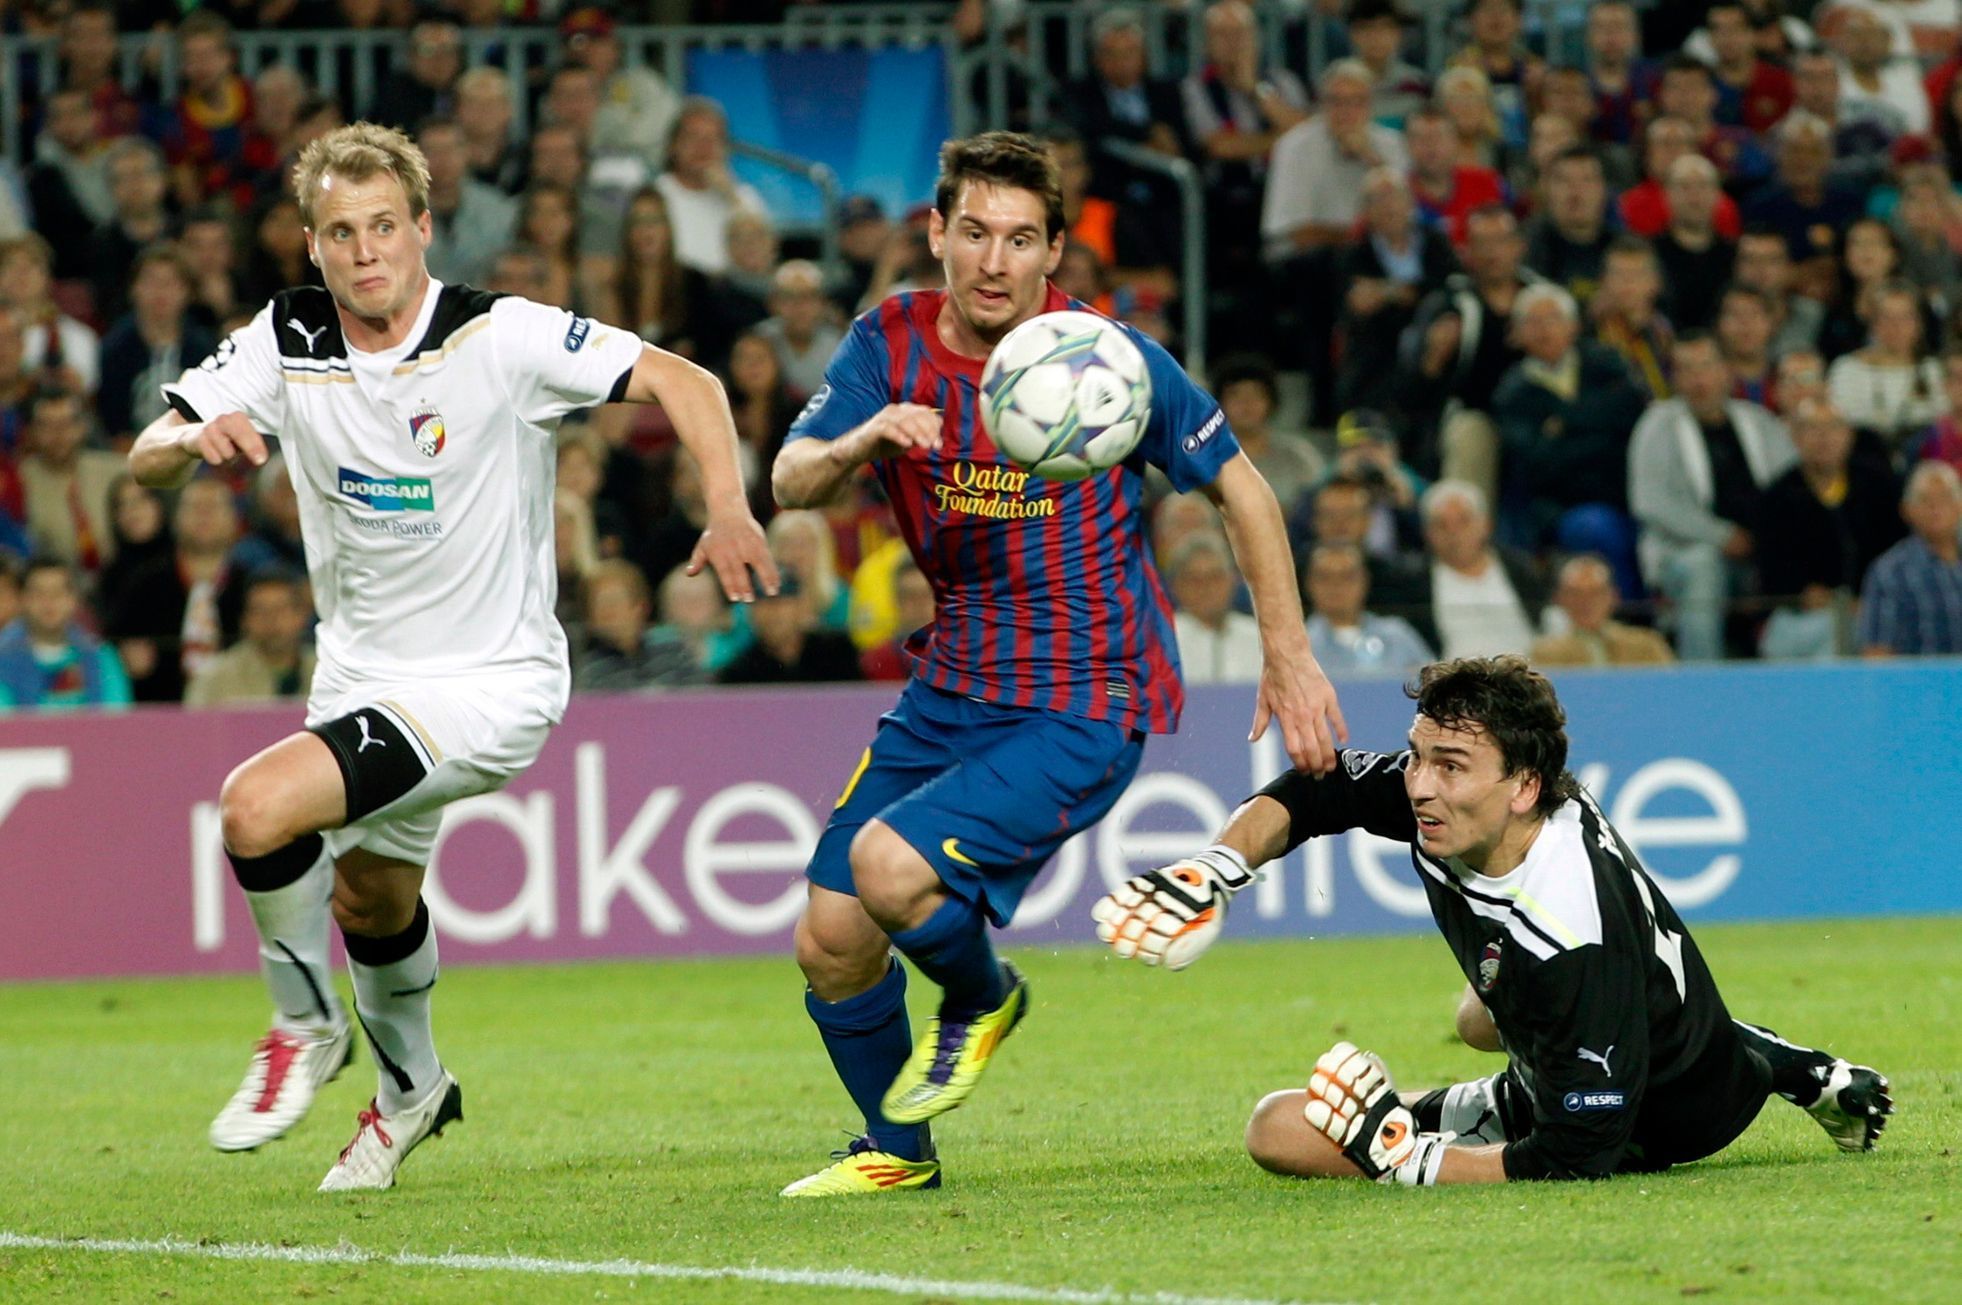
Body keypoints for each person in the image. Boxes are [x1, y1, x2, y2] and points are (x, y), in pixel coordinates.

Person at [127, 122, 775, 1191]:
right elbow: (153, 448)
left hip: (492, 682)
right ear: (312, 247)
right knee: (370, 904)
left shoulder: (501, 336)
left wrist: (728, 506)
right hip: (361, 678)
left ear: (424, 229)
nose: (367, 250)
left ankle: (303, 1026)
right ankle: (414, 1091)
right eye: (342, 232)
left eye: (385, 225)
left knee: (255, 809)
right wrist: (188, 442)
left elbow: (689, 381)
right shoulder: (283, 338)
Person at [768, 131, 1345, 1197]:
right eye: (976, 232)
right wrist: (860, 445)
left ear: (1052, 255)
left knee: (891, 872)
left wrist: (1290, 655)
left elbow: (1246, 489)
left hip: (1085, 696)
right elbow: (791, 478)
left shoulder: (1107, 360)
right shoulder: (885, 343)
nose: (995, 261)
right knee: (831, 935)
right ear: (936, 232)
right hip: (950, 686)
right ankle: (898, 1154)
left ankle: (984, 998)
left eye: (1021, 239)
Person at [1092, 656, 1894, 1184]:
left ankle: (1801, 1074)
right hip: (1558, 1044)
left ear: (1522, 786)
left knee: (1532, 1007)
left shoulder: (1571, 928)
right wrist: (1217, 867)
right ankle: (1807, 1071)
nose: (1419, 786)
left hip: (1665, 1110)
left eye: (1450, 766)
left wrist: (1409, 1157)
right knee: (1283, 1123)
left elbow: (1580, 1152)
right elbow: (1319, 788)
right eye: (1417, 755)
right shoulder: (1467, 806)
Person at [1628, 333, 1796, 660]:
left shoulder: (1759, 421)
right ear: (1674, 378)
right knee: (1704, 565)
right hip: (1683, 553)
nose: (1698, 380)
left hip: (1758, 553)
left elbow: (1790, 488)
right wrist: (1722, 536)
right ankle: (1702, 680)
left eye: (1706, 367)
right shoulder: (1657, 424)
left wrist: (1764, 541)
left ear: (1726, 371)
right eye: (1686, 370)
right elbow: (1651, 502)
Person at [1756, 398, 1903, 658]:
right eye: (1813, 429)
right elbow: (1771, 566)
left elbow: (1896, 551)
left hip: (1871, 609)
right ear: (1795, 436)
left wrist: (1869, 597)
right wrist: (1801, 593)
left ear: (1849, 435)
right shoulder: (1776, 497)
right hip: (1802, 616)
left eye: (1833, 428)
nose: (1824, 438)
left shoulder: (1879, 486)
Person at [0, 556, 133, 711]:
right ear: (23, 599)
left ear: (74, 599)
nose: (48, 602)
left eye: (58, 592)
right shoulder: (3, 658)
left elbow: (118, 719)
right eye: (38, 593)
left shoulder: (101, 656)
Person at [1857, 460, 1962, 655]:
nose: (1935, 507)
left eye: (1944, 498)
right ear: (1907, 510)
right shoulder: (1889, 572)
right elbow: (1877, 652)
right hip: (1918, 682)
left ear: (1959, 507)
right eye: (1925, 500)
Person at [185, 568, 318, 707]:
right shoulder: (213, 678)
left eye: (281, 609)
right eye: (260, 610)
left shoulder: (327, 671)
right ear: (244, 620)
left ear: (302, 616)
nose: (271, 620)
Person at [1302, 540, 1434, 678]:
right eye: (1325, 577)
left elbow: (1436, 686)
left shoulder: (1397, 636)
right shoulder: (1300, 646)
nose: (1336, 585)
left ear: (1364, 581)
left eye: (1347, 577)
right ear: (1309, 584)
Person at [1529, 554, 1675, 666]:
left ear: (1613, 596)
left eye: (1595, 593)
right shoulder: (1545, 655)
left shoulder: (1646, 646)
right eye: (1575, 594)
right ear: (1560, 599)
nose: (1585, 602)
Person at [1168, 530, 1260, 683]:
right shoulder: (1163, 639)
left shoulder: (1257, 637)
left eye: (1215, 577)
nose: (1206, 587)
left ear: (1233, 581)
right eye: (1194, 579)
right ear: (1176, 585)